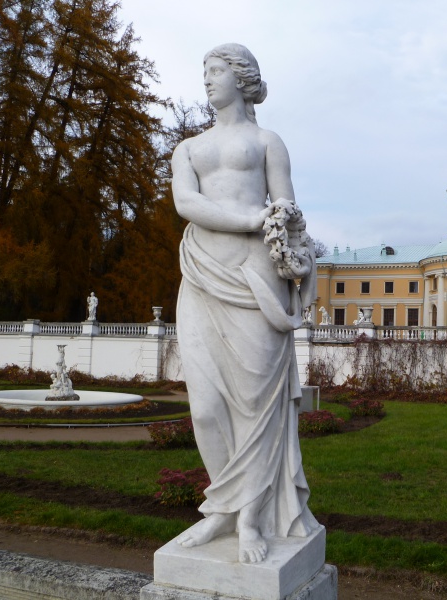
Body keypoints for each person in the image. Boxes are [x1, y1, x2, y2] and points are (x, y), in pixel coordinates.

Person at [171, 43, 318, 564]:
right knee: (206, 407)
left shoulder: (266, 142)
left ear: (242, 78)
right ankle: (222, 511)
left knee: (256, 407)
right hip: (202, 275)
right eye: (204, 72)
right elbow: (186, 203)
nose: (207, 81)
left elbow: (287, 211)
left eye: (216, 71)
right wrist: (251, 220)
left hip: (255, 282)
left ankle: (251, 518)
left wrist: (298, 258)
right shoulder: (187, 148)